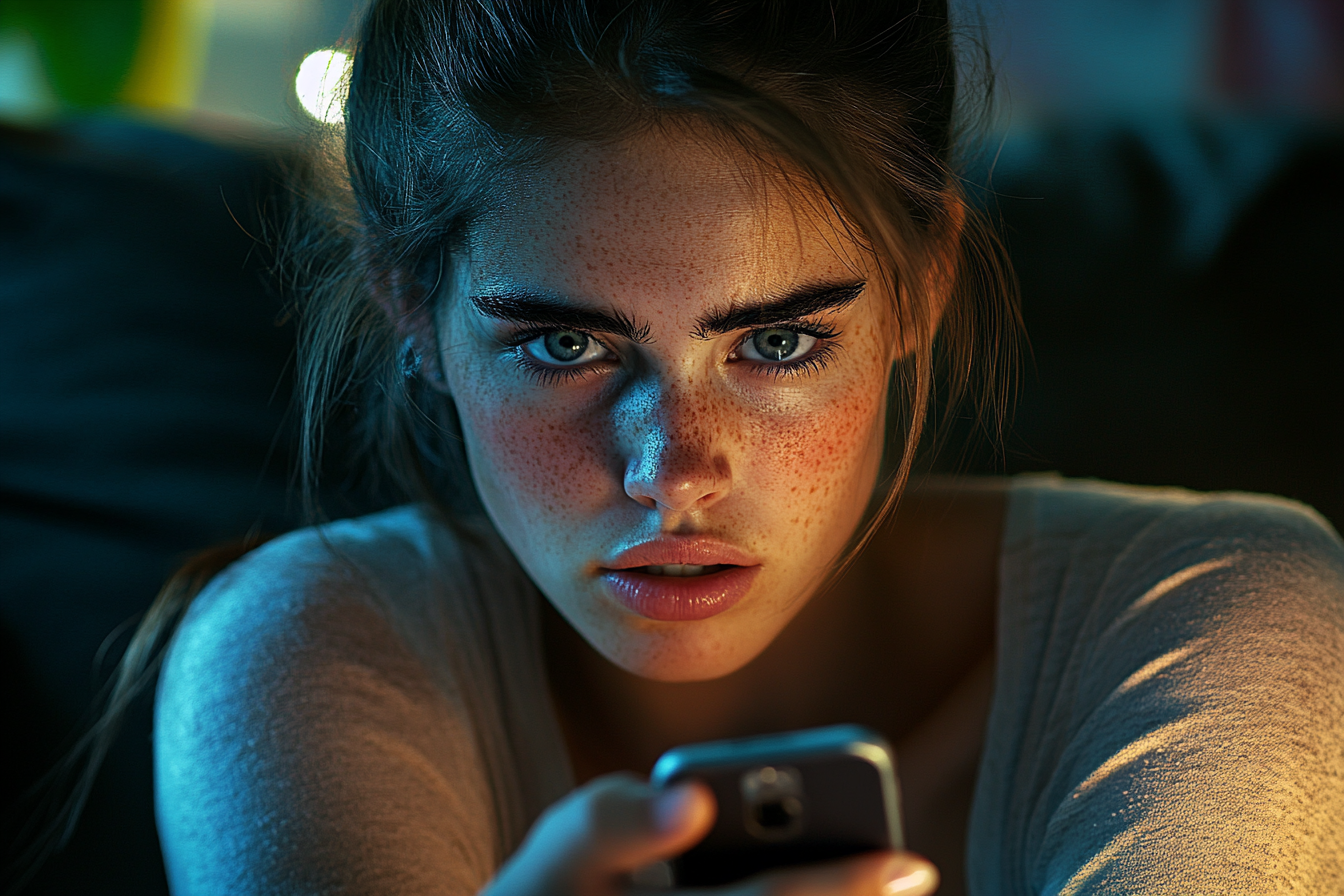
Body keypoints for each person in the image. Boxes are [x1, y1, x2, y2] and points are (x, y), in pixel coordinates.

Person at [146, 1, 1344, 894]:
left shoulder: (1221, 623)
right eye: (565, 347)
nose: (673, 468)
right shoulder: (302, 651)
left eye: (775, 341)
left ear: (923, 281)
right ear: (412, 308)